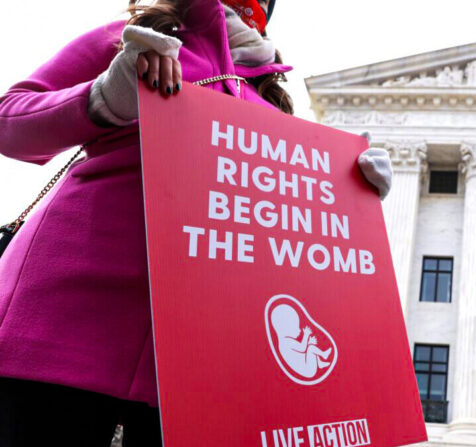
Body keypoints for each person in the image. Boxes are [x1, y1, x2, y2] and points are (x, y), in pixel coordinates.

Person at [0, 1, 392, 445]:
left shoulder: (271, 99)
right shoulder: (134, 35)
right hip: (65, 321)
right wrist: (105, 96)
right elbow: (9, 120)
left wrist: (346, 195)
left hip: (193, 362)